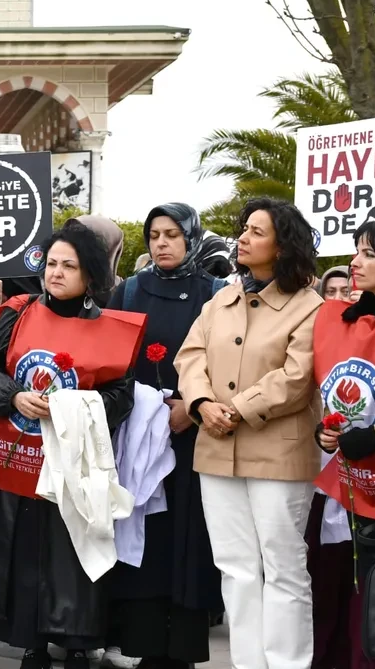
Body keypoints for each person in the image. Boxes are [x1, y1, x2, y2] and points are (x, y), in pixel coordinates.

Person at [0, 221, 143, 669]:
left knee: (71, 546)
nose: (55, 273)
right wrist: (14, 394)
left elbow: (121, 396)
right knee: (27, 545)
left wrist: (72, 406)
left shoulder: (112, 328)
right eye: (51, 263)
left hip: (75, 463)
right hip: (23, 454)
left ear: (89, 274)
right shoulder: (19, 312)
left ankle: (75, 642)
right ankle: (31, 640)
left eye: (68, 266)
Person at [174, 197, 322, 669]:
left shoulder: (309, 306)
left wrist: (234, 408)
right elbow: (190, 355)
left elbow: (296, 378)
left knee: (283, 567)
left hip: (280, 454)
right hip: (216, 450)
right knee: (235, 568)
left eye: (257, 232)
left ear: (283, 246)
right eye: (244, 229)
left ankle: (288, 663)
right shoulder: (222, 298)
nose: (243, 238)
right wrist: (199, 403)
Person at [106, 204, 224, 669]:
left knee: (189, 538)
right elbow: (112, 359)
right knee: (147, 536)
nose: (162, 243)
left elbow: (225, 363)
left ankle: (184, 652)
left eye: (173, 234)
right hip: (141, 434)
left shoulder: (215, 294)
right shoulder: (129, 291)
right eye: (154, 234)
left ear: (191, 238)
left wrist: (192, 410)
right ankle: (147, 645)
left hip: (192, 435)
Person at [313, 214, 375, 669]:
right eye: (357, 250)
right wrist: (328, 431)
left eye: (370, 254)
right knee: (374, 601)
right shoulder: (347, 321)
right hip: (361, 490)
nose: (355, 262)